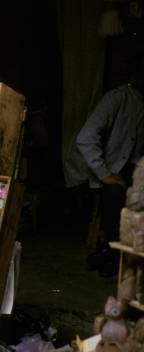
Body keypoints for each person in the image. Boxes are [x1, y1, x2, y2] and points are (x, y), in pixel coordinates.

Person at [76, 54, 144, 276]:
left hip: (137, 171)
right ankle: (112, 251)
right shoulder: (117, 99)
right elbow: (86, 137)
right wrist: (104, 173)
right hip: (113, 170)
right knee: (115, 194)